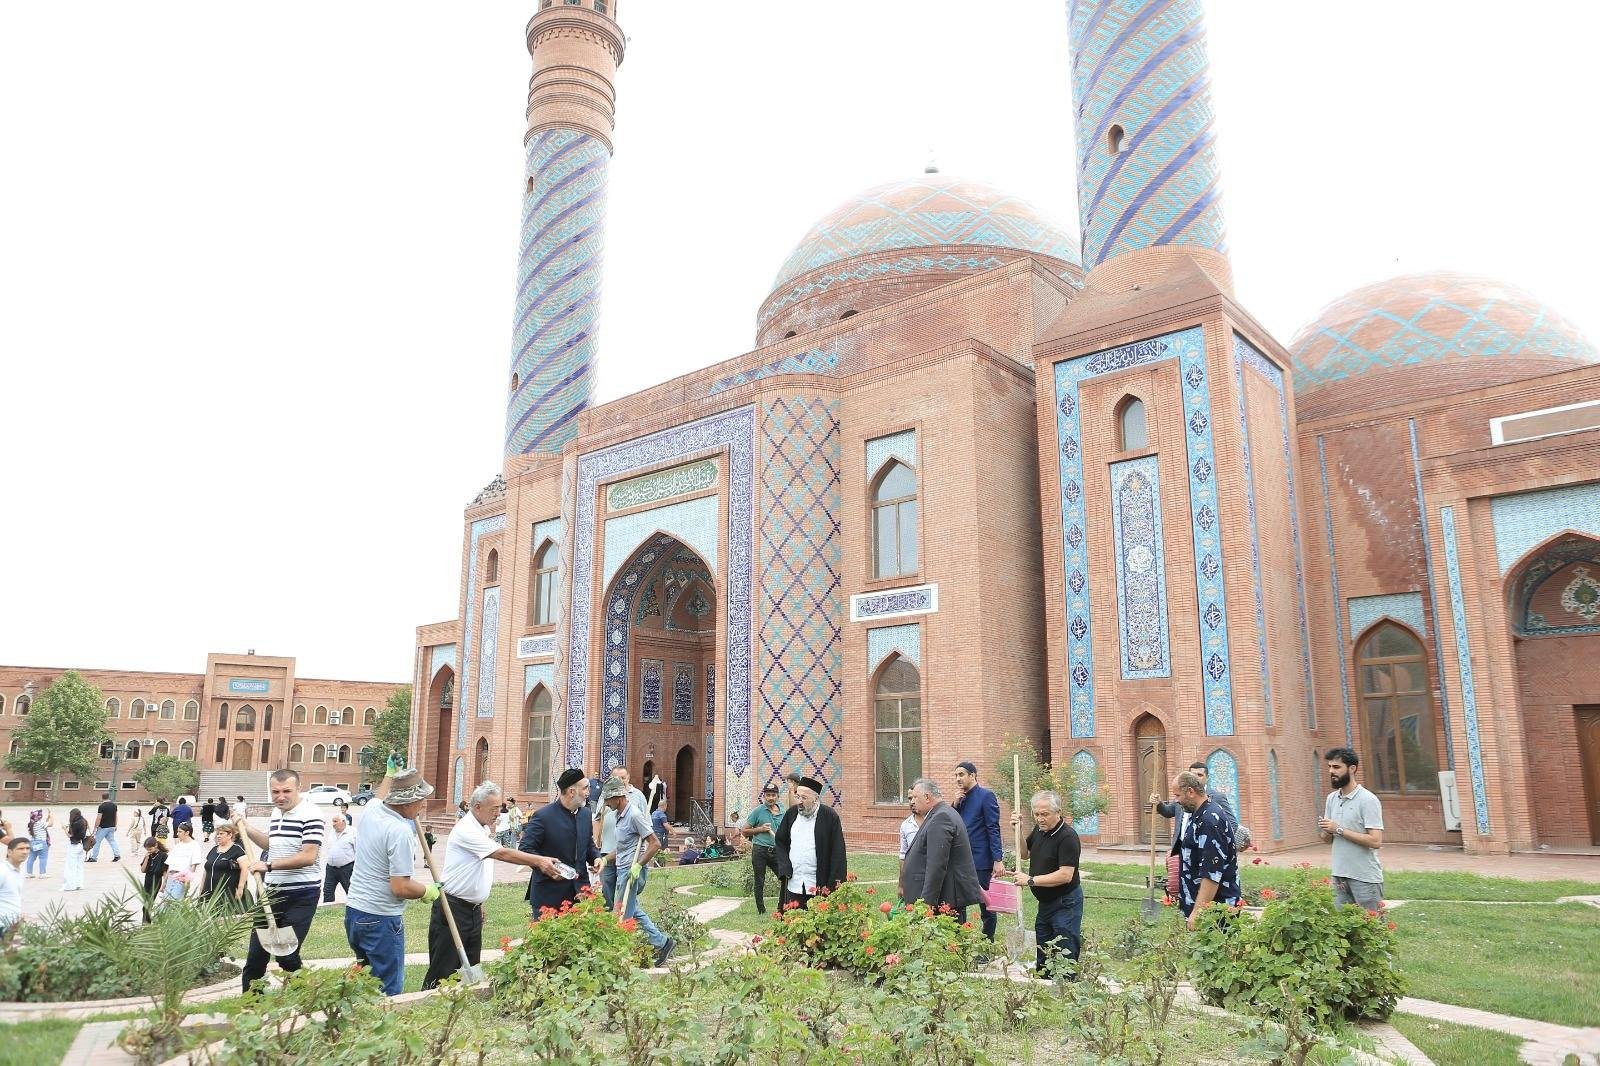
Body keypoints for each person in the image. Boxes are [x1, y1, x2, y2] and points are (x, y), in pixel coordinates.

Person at [423, 781, 554, 990]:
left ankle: (461, 1011)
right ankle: (427, 1006)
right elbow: (501, 853)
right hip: (452, 908)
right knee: (444, 969)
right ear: (477, 807)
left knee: (470, 967)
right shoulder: (467, 830)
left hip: (471, 909)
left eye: (499, 807)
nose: (498, 813)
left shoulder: (481, 829)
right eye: (494, 808)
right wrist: (538, 860)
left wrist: (478, 902)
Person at [342, 768, 439, 996]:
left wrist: (389, 773)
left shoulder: (372, 810)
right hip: (380, 919)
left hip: (355, 913)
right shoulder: (399, 831)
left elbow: (379, 794)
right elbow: (400, 887)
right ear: (407, 802)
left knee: (365, 984)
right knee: (387, 990)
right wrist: (427, 891)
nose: (423, 805)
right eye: (421, 800)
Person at [234, 769, 325, 994]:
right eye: (275, 791)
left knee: (287, 954)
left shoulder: (311, 814)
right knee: (256, 958)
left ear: (299, 788)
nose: (280, 796)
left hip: (301, 895)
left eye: (286, 791)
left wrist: (270, 866)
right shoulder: (277, 813)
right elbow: (270, 845)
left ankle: (308, 999)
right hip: (271, 894)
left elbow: (308, 856)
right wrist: (246, 827)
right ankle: (250, 1009)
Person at [1003, 790, 1083, 977]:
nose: (1040, 819)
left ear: (1058, 812)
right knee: (1044, 952)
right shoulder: (1040, 831)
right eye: (1036, 814)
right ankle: (1045, 990)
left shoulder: (1068, 837)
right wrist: (1019, 830)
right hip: (1045, 904)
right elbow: (1025, 853)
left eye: (1044, 814)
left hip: (1065, 903)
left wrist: (1030, 880)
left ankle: (1067, 993)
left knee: (1065, 951)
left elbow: (1065, 875)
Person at [603, 776, 675, 966]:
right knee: (632, 909)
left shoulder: (634, 815)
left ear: (618, 797)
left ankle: (621, 957)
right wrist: (605, 859)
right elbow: (623, 846)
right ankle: (663, 942)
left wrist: (639, 865)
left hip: (631, 870)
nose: (606, 803)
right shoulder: (619, 815)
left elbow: (655, 843)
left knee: (622, 912)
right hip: (622, 868)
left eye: (608, 799)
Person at [521, 768, 602, 914]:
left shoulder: (585, 814)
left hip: (581, 893)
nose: (588, 793)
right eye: (584, 788)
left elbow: (587, 842)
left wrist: (596, 857)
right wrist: (544, 865)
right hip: (549, 895)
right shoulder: (543, 816)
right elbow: (525, 849)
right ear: (571, 792)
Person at [900, 778, 982, 916]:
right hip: (942, 898)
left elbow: (936, 864)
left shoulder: (941, 817)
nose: (912, 801)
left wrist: (927, 902)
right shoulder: (939, 813)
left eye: (915, 797)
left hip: (943, 902)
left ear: (927, 797)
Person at [1170, 770, 1240, 929]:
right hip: (1204, 909)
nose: (1176, 801)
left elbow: (1212, 873)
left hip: (1216, 913)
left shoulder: (1209, 820)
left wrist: (1198, 912)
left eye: (1178, 795)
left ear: (1190, 792)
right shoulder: (1200, 814)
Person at [1318, 747, 1385, 912]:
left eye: (1336, 767)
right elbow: (1327, 840)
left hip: (1365, 877)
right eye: (1329, 767)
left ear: (1352, 768)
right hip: (1339, 875)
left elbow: (1375, 841)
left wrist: (1339, 829)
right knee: (1343, 931)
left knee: (1373, 930)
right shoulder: (1331, 799)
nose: (1331, 771)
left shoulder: (1368, 800)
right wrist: (1327, 830)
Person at [773, 776, 847, 909]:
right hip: (794, 883)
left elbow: (838, 853)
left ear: (816, 799)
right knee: (793, 924)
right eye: (798, 797)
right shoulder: (791, 814)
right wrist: (785, 867)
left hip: (819, 884)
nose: (799, 802)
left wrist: (833, 885)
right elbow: (780, 841)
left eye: (804, 798)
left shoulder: (829, 816)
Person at [953, 760, 1005, 941]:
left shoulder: (986, 796)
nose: (958, 779)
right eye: (956, 775)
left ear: (972, 775)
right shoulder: (960, 800)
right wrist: (955, 804)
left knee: (986, 905)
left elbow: (993, 828)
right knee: (958, 903)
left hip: (981, 861)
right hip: (961, 861)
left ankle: (986, 943)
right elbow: (953, 826)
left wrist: (997, 859)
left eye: (961, 775)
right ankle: (960, 942)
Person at [592, 769, 647, 909]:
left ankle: (626, 921)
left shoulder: (637, 797)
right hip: (608, 850)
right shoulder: (606, 795)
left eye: (623, 777)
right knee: (607, 890)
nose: (620, 780)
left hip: (628, 853)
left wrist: (640, 855)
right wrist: (596, 840)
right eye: (616, 777)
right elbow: (598, 818)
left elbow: (646, 828)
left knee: (627, 895)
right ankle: (614, 920)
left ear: (628, 778)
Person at [739, 783, 785, 914]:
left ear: (777, 796)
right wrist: (760, 829)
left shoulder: (782, 810)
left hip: (776, 851)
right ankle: (761, 910)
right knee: (760, 879)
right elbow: (744, 831)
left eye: (773, 795)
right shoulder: (758, 811)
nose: (771, 798)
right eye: (768, 795)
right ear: (764, 796)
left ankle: (781, 908)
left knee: (785, 878)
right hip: (760, 850)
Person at [201, 823, 248, 908]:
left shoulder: (237, 849)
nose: (218, 836)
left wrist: (240, 888)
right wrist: (202, 888)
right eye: (217, 834)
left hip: (227, 893)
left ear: (230, 835)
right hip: (209, 891)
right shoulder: (213, 850)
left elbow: (244, 869)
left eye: (221, 834)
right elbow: (206, 869)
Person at [322, 812, 357, 903]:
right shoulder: (332, 832)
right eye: (333, 821)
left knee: (351, 891)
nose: (333, 824)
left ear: (343, 821)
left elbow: (359, 851)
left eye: (335, 821)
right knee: (327, 891)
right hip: (331, 868)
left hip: (347, 868)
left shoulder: (352, 832)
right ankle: (328, 911)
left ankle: (354, 908)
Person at [165, 822, 202, 901]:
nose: (177, 834)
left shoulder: (194, 845)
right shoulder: (178, 845)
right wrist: (164, 882)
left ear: (187, 832)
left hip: (182, 878)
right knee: (166, 902)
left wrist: (187, 881)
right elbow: (170, 864)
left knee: (175, 901)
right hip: (171, 876)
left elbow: (193, 865)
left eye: (180, 832)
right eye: (177, 831)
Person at [0, 837, 27, 942]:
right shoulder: (2, 871)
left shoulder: (21, 870)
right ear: (9, 852)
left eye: (27, 848)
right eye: (20, 849)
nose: (25, 852)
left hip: (12, 924)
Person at [139, 836, 169, 922]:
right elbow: (143, 870)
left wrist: (164, 884)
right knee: (145, 904)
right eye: (147, 849)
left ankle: (146, 925)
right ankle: (146, 924)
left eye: (150, 849)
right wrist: (147, 858)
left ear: (156, 845)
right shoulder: (149, 855)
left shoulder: (163, 856)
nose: (149, 851)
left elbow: (165, 871)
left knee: (148, 905)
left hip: (156, 880)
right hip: (147, 879)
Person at [89, 794, 122, 863]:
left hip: (103, 827)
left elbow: (99, 817)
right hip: (112, 826)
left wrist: (95, 827)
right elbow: (116, 816)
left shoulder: (101, 806)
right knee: (112, 841)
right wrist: (115, 825)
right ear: (108, 797)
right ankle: (117, 855)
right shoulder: (114, 805)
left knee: (97, 841)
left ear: (102, 798)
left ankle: (94, 857)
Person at [62, 808, 88, 891]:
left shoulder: (74, 823)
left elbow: (70, 835)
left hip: (74, 845)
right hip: (81, 845)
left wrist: (64, 829)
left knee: (71, 866)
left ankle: (70, 885)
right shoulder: (84, 821)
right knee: (79, 866)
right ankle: (79, 884)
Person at [25, 809, 52, 878]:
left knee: (31, 858)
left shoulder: (30, 824)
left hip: (33, 843)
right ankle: (42, 874)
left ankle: (29, 873)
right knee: (43, 858)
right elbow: (51, 824)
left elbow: (45, 823)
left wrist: (48, 817)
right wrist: (51, 815)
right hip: (41, 842)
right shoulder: (40, 823)